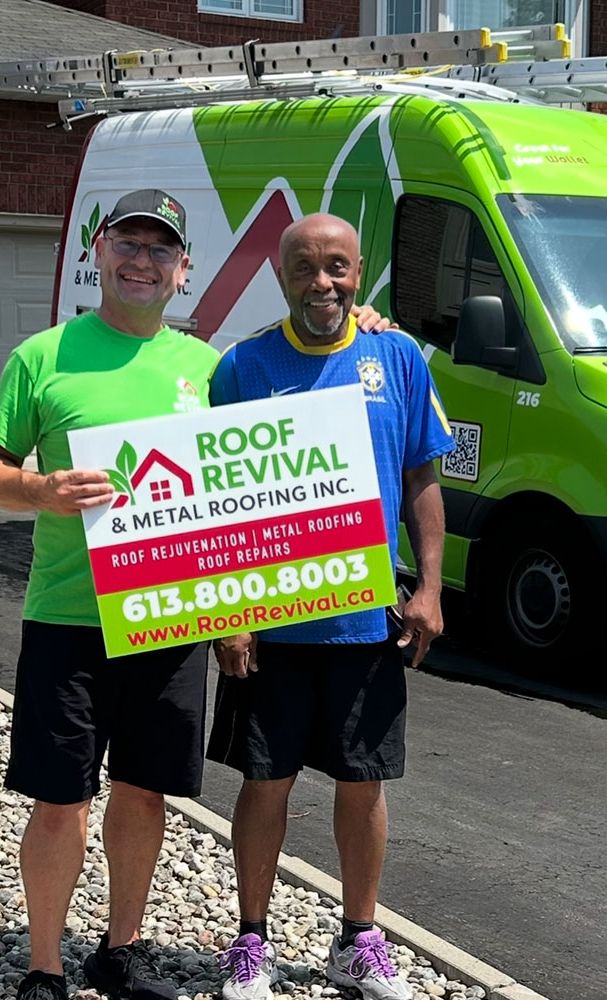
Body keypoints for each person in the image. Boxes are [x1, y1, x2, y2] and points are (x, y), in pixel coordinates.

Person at [0, 190, 391, 1000]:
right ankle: (44, 968)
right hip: (68, 618)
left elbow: (263, 472)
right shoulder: (43, 356)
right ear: (100, 251)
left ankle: (120, 950)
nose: (142, 260)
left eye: (162, 249)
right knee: (61, 801)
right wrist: (41, 488)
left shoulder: (209, 366)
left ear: (184, 270)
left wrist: (364, 322)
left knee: (144, 792)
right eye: (129, 242)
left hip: (169, 622)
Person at [207, 214, 455, 1000]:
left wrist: (429, 587)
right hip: (272, 625)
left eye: (338, 267)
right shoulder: (242, 366)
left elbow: (422, 480)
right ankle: (252, 941)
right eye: (307, 268)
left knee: (364, 782)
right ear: (281, 277)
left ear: (360, 272)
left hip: (365, 621)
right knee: (265, 781)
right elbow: (218, 503)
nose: (324, 283)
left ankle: (358, 939)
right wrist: (229, 615)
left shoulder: (399, 356)